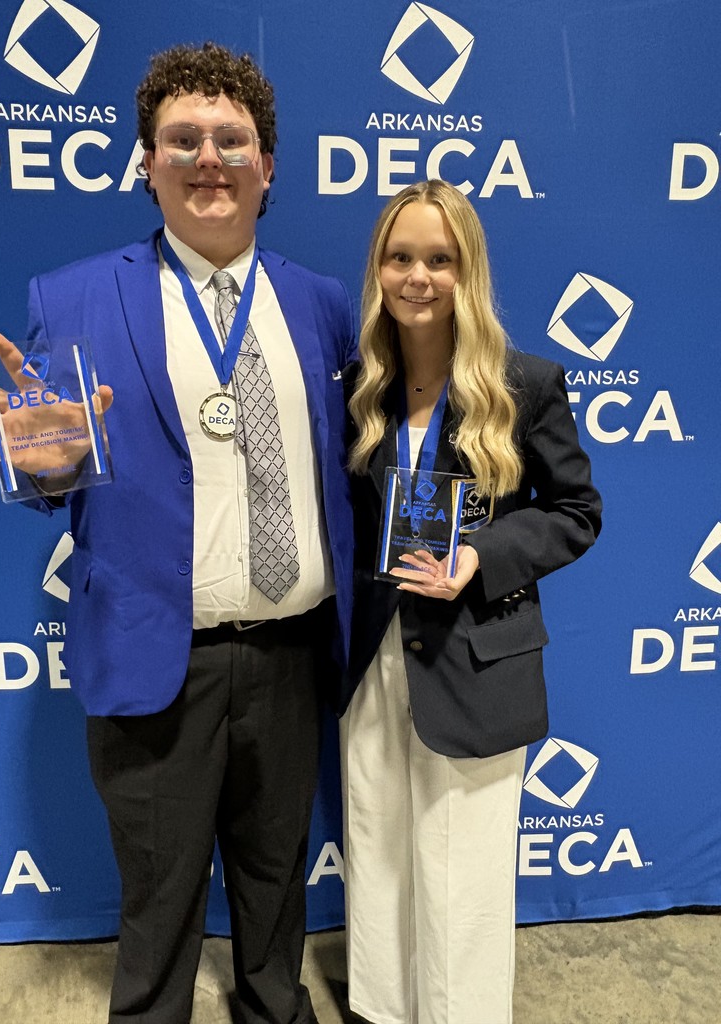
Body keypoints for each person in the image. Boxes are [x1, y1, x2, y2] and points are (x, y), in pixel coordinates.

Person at [0, 42, 355, 1024]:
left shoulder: (323, 305)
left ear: (270, 164)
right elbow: (54, 471)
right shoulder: (75, 296)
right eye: (183, 139)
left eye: (234, 139)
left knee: (277, 891)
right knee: (159, 897)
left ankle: (274, 1009)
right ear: (146, 163)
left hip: (292, 655)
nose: (208, 157)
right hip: (152, 655)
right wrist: (41, 468)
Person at [337, 179, 602, 1024]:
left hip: (476, 657)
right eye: (400, 256)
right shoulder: (361, 386)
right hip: (375, 662)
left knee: (463, 881)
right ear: (378, 267)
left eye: (439, 259)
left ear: (468, 270)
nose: (418, 276)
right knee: (376, 855)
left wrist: (479, 555)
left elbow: (576, 513)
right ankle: (381, 1013)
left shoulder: (524, 383)